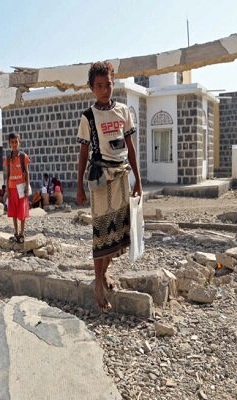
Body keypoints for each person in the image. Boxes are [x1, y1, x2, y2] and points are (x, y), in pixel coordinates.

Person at [76, 61, 142, 311]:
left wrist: (138, 180)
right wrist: (79, 186)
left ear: (114, 84)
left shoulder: (123, 111)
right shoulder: (88, 117)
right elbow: (83, 154)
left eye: (108, 85)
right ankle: (98, 283)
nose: (104, 90)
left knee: (117, 233)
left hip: (122, 177)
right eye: (99, 86)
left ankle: (104, 273)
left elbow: (130, 148)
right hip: (100, 179)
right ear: (92, 88)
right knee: (101, 232)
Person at [3, 132, 30, 243]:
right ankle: (16, 232)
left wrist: (27, 186)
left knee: (22, 211)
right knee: (13, 211)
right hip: (12, 187)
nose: (14, 144)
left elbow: (27, 172)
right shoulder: (8, 158)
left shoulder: (24, 157)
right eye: (12, 142)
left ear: (19, 142)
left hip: (21, 187)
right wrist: (7, 189)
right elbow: (8, 174)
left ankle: (22, 233)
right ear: (9, 143)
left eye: (16, 142)